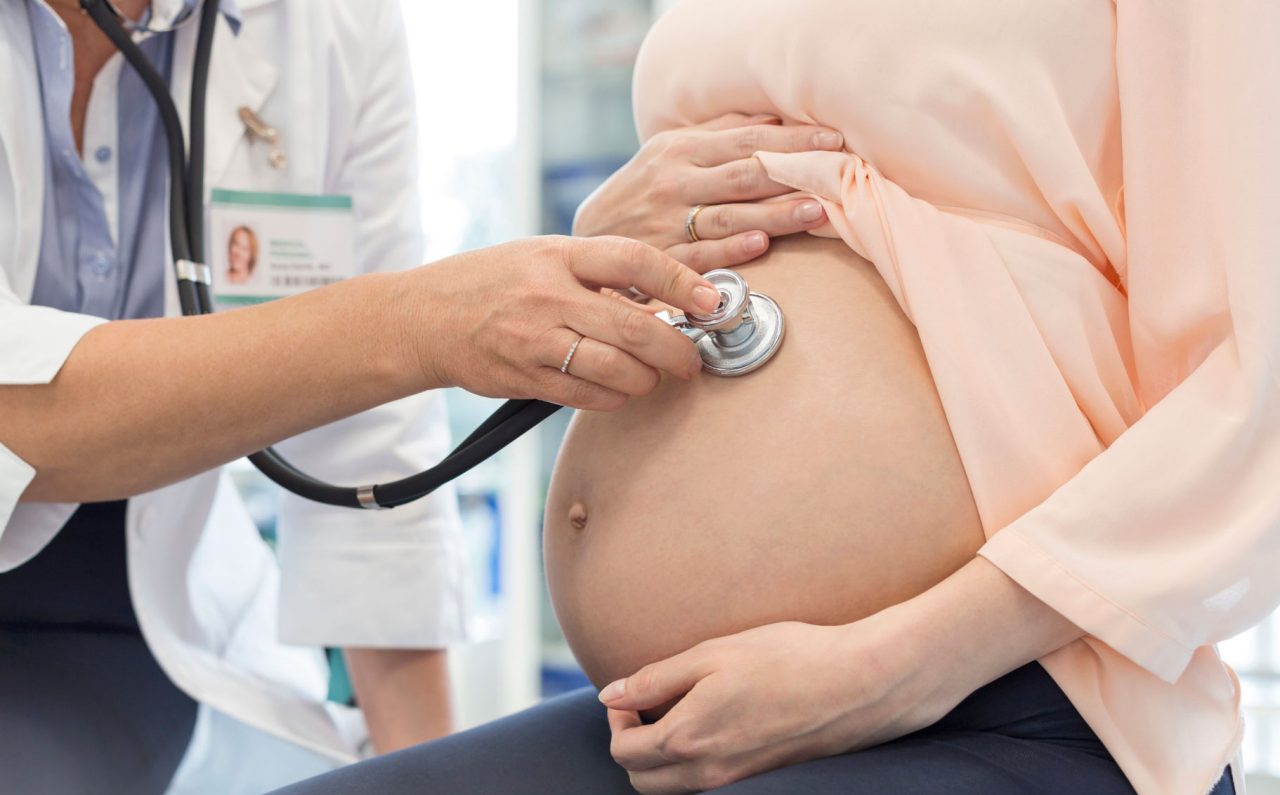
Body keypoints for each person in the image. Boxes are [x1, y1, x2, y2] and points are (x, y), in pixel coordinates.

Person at [275, 1, 1279, 794]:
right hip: (666, 724)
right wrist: (607, 238)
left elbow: (1257, 380)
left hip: (1004, 694)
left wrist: (887, 669)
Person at [0, 0, 805, 792]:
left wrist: (426, 767)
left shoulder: (330, 24)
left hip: (128, 618)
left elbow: (368, 442)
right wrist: (419, 323)